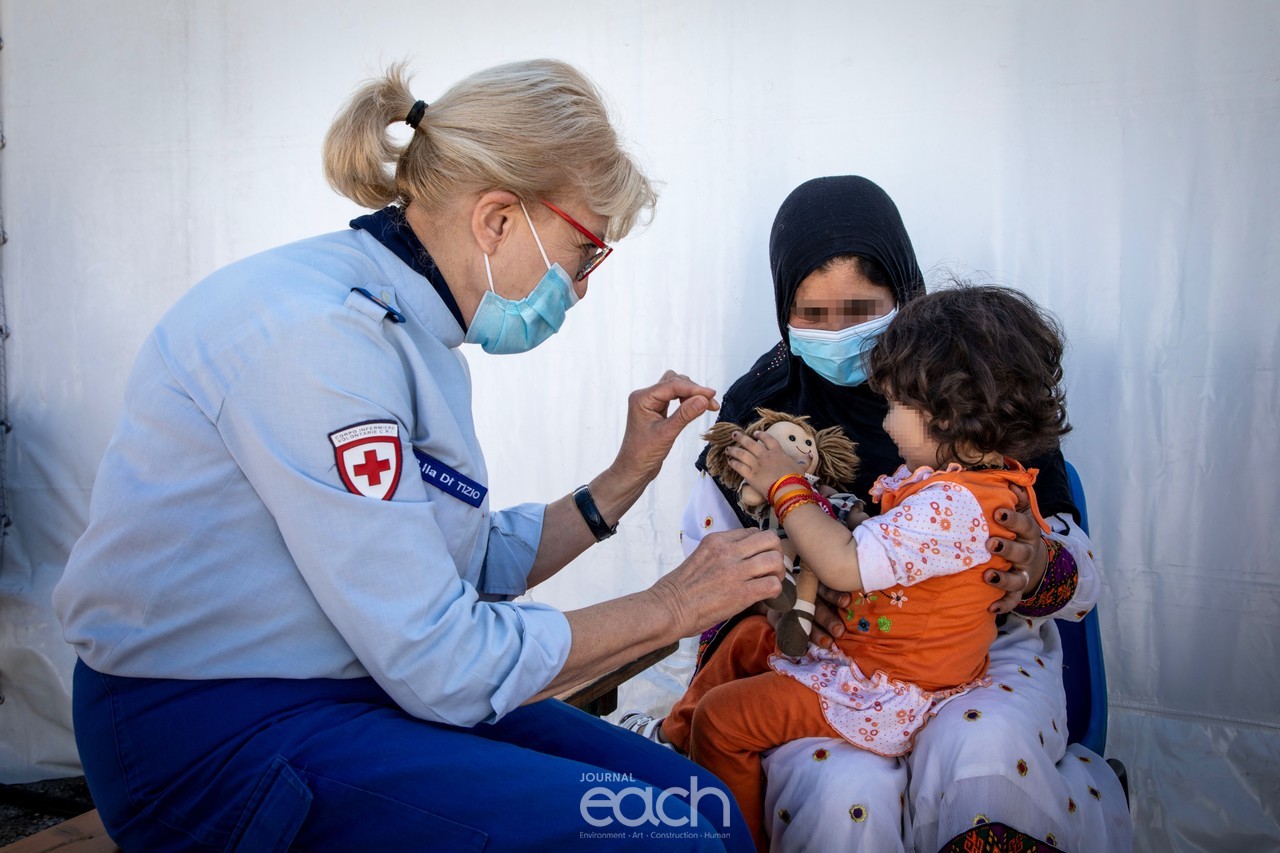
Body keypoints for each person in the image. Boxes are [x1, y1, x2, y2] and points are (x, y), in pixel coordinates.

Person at [51, 60, 784, 852]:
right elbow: (444, 658)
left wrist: (620, 481)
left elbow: (454, 565)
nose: (578, 290)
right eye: (588, 253)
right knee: (664, 836)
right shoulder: (320, 339)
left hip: (344, 686)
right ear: (499, 219)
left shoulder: (411, 331)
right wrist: (671, 606)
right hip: (204, 733)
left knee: (698, 803)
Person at [625, 176, 1131, 851]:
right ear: (783, 308)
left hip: (983, 648)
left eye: (861, 307)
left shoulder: (981, 398)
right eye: (811, 314)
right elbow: (713, 562)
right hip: (837, 657)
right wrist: (784, 604)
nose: (837, 334)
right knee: (842, 794)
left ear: (905, 295)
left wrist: (1038, 565)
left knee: (983, 754)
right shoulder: (762, 404)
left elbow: (1078, 571)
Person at [656, 284, 1070, 850]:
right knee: (749, 639)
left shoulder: (947, 506)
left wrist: (787, 485)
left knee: (724, 721)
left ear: (946, 417)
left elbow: (845, 564)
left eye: (896, 405)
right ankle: (671, 736)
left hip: (883, 687)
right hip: (882, 655)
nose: (886, 421)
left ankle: (732, 839)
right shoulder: (982, 484)